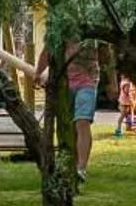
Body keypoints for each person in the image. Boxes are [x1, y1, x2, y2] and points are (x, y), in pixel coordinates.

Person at [39, 38, 102, 181]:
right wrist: (39, 73)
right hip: (64, 82)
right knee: (69, 126)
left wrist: (113, 83)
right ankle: (71, 165)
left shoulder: (92, 30)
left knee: (82, 122)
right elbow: (47, 51)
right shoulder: (60, 27)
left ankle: (81, 168)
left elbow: (106, 55)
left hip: (88, 81)